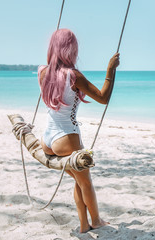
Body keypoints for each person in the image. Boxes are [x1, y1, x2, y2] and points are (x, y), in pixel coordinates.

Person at [38, 28, 119, 233]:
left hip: (47, 139)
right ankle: (96, 221)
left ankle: (84, 225)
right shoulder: (73, 76)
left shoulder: (42, 71)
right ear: (70, 49)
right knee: (86, 182)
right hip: (66, 138)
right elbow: (103, 98)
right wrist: (111, 70)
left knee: (78, 179)